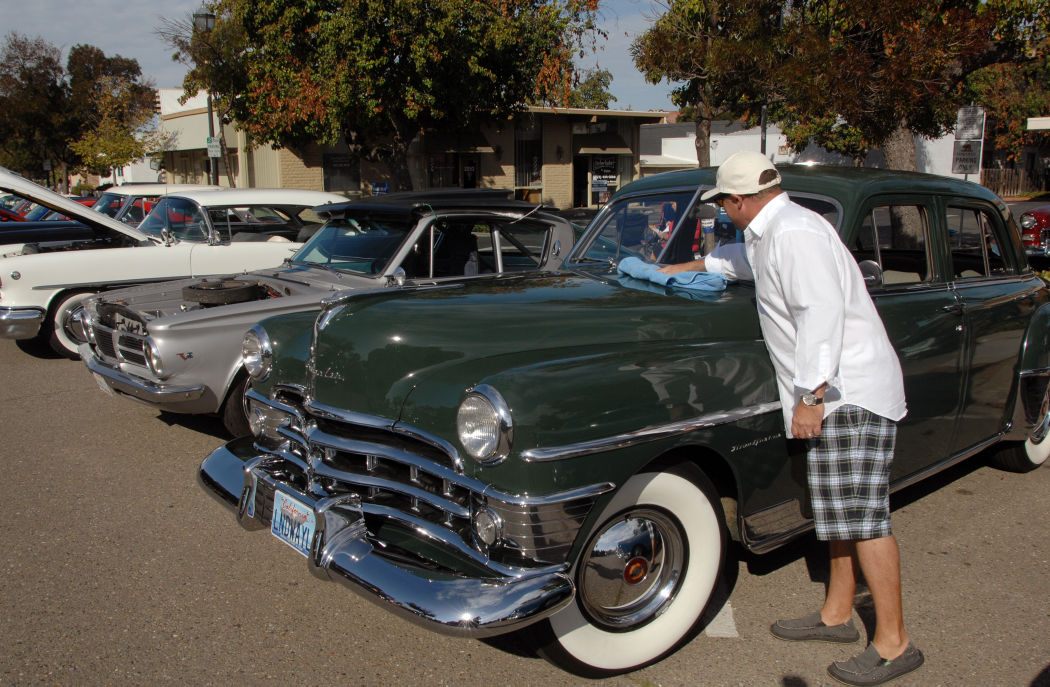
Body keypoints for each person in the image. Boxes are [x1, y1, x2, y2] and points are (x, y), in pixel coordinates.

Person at [661, 151, 923, 686]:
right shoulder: (772, 232)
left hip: (848, 394)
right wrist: (673, 270)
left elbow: (820, 313)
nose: (723, 211)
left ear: (739, 200)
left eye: (723, 203)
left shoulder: (795, 234)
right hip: (835, 394)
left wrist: (811, 396)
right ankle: (837, 614)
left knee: (864, 518)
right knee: (839, 513)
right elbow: (736, 262)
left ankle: (895, 642)